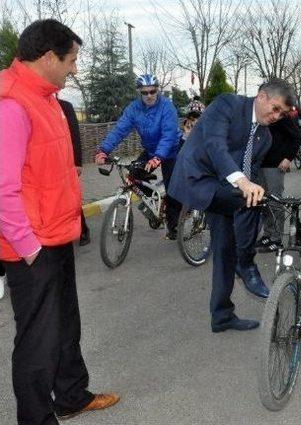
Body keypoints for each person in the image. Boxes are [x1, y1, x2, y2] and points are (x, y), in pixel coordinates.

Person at [0, 19, 119, 424]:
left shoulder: (45, 96)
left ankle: (70, 394)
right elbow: (3, 189)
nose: (74, 69)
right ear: (48, 57)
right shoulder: (13, 103)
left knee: (65, 324)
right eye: (71, 60)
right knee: (38, 340)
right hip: (31, 245)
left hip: (55, 233)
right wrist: (29, 247)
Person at [168, 79, 296, 332]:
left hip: (223, 189)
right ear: (261, 96)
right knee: (248, 200)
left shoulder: (265, 136)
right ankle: (246, 263)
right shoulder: (227, 104)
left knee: (227, 246)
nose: (277, 116)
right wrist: (243, 183)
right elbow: (215, 146)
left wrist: (257, 190)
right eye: (275, 108)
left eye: (282, 113)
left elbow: (253, 170)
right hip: (197, 178)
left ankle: (222, 315)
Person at [94, 73, 182, 240]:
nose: (149, 95)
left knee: (173, 190)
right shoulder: (134, 109)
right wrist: (104, 150)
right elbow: (120, 130)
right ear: (139, 93)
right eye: (144, 92)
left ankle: (174, 225)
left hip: (171, 151)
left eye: (152, 91)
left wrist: (158, 157)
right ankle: (154, 200)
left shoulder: (167, 107)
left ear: (157, 90)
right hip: (150, 150)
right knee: (132, 176)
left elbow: (168, 135)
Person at [254, 112, 301, 251]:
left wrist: (288, 158)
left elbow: (296, 137)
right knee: (264, 203)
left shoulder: (282, 115)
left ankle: (276, 239)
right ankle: (268, 235)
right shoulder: (260, 115)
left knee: (275, 202)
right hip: (260, 163)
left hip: (275, 165)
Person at [58, 97, 90, 245]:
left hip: (67, 163)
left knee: (72, 199)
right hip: (49, 165)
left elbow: (75, 136)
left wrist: (77, 162)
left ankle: (83, 231)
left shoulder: (66, 106)